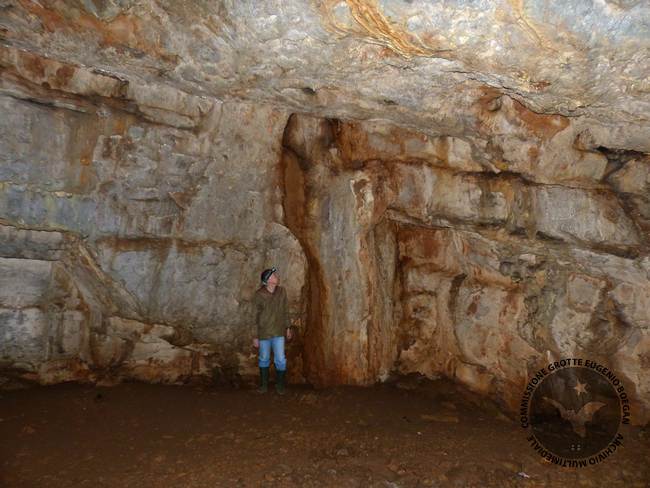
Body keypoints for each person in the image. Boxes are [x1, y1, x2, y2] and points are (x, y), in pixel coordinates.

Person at [252, 267, 293, 394]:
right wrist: (255, 336)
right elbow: (254, 316)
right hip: (264, 332)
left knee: (280, 359)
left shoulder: (282, 291)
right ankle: (264, 385)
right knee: (264, 358)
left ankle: (280, 385)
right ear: (268, 280)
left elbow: (285, 310)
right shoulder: (259, 295)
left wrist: (288, 327)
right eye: (274, 276)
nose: (276, 277)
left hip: (278, 331)